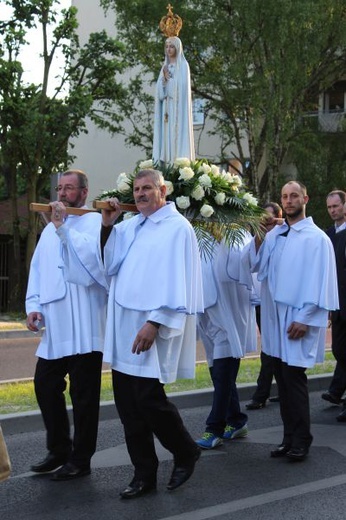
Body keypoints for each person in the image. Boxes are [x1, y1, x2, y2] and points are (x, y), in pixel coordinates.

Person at [61, 169, 204, 499]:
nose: (140, 194)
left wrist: (155, 323)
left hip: (149, 326)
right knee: (128, 407)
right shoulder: (129, 226)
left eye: (147, 188)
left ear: (162, 190)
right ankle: (144, 474)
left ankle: (185, 450)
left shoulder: (176, 228)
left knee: (149, 399)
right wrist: (108, 225)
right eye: (137, 189)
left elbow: (177, 278)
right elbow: (107, 265)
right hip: (123, 324)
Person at [244, 180, 338, 461]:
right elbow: (256, 265)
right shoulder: (275, 235)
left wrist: (305, 319)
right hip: (275, 318)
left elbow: (321, 282)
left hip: (297, 318)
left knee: (294, 380)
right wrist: (261, 233)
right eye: (284, 196)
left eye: (294, 195)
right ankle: (288, 437)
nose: (288, 200)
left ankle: (302, 440)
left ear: (305, 199)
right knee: (282, 381)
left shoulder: (317, 238)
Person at [26, 169, 107, 481]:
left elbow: (91, 261)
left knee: (84, 395)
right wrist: (34, 305)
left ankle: (81, 459)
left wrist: (62, 228)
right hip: (57, 323)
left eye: (69, 188)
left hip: (85, 323)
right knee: (45, 385)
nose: (61, 194)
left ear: (84, 193)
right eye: (59, 188)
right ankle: (59, 448)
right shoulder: (49, 229)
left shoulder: (95, 222)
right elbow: (38, 268)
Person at [195, 234, 257, 449]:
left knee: (223, 373)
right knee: (219, 374)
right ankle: (237, 420)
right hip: (205, 313)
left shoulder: (234, 233)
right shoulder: (195, 235)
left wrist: (223, 238)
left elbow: (243, 267)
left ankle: (214, 429)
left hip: (227, 316)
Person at [246, 202, 283, 410]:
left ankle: (262, 394)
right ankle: (274, 390)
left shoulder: (281, 238)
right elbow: (252, 262)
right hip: (260, 302)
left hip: (277, 302)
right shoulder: (259, 239)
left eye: (269, 219)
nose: (266, 223)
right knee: (268, 349)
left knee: (271, 350)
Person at [321, 190, 346, 412]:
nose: (332, 211)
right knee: (339, 349)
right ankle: (337, 391)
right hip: (337, 303)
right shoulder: (328, 235)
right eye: (329, 207)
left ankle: (338, 392)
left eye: (336, 206)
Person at [153, 36, 195, 165]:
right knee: (166, 137)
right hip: (166, 110)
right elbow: (159, 92)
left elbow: (181, 89)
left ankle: (177, 163)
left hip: (178, 111)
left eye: (171, 46)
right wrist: (164, 81)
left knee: (175, 136)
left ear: (177, 48)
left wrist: (169, 80)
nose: (168, 49)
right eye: (166, 47)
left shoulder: (183, 66)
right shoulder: (164, 67)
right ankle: (166, 164)